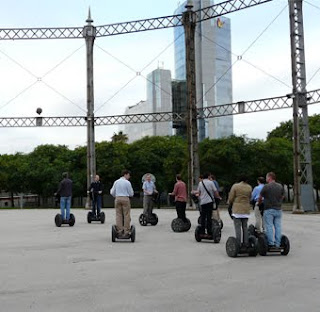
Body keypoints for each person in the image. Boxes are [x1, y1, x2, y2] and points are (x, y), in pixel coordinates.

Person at [258, 172, 284, 248]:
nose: (266, 179)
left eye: (266, 177)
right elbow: (282, 196)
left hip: (269, 209)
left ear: (269, 178)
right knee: (278, 226)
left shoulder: (266, 187)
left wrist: (259, 203)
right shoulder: (280, 186)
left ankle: (271, 243)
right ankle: (277, 244)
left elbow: (260, 197)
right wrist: (279, 202)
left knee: (269, 226)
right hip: (278, 209)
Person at [228, 175, 252, 249]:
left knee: (237, 227)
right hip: (246, 209)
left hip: (237, 209)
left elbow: (231, 198)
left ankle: (238, 244)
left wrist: (230, 203)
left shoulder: (235, 186)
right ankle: (246, 243)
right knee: (245, 227)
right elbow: (250, 197)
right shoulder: (249, 187)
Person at [110, 170, 134, 238]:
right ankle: (126, 231)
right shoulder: (127, 182)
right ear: (125, 174)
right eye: (129, 175)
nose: (129, 177)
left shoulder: (116, 182)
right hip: (125, 198)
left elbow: (112, 192)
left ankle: (119, 230)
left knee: (118, 215)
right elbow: (131, 193)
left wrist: (116, 195)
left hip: (117, 198)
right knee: (126, 215)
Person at [196, 172, 220, 237]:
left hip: (203, 202)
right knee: (209, 217)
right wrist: (218, 197)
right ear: (208, 176)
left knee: (203, 217)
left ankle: (202, 232)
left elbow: (199, 192)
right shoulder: (211, 183)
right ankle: (209, 232)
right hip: (209, 202)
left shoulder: (200, 183)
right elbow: (215, 191)